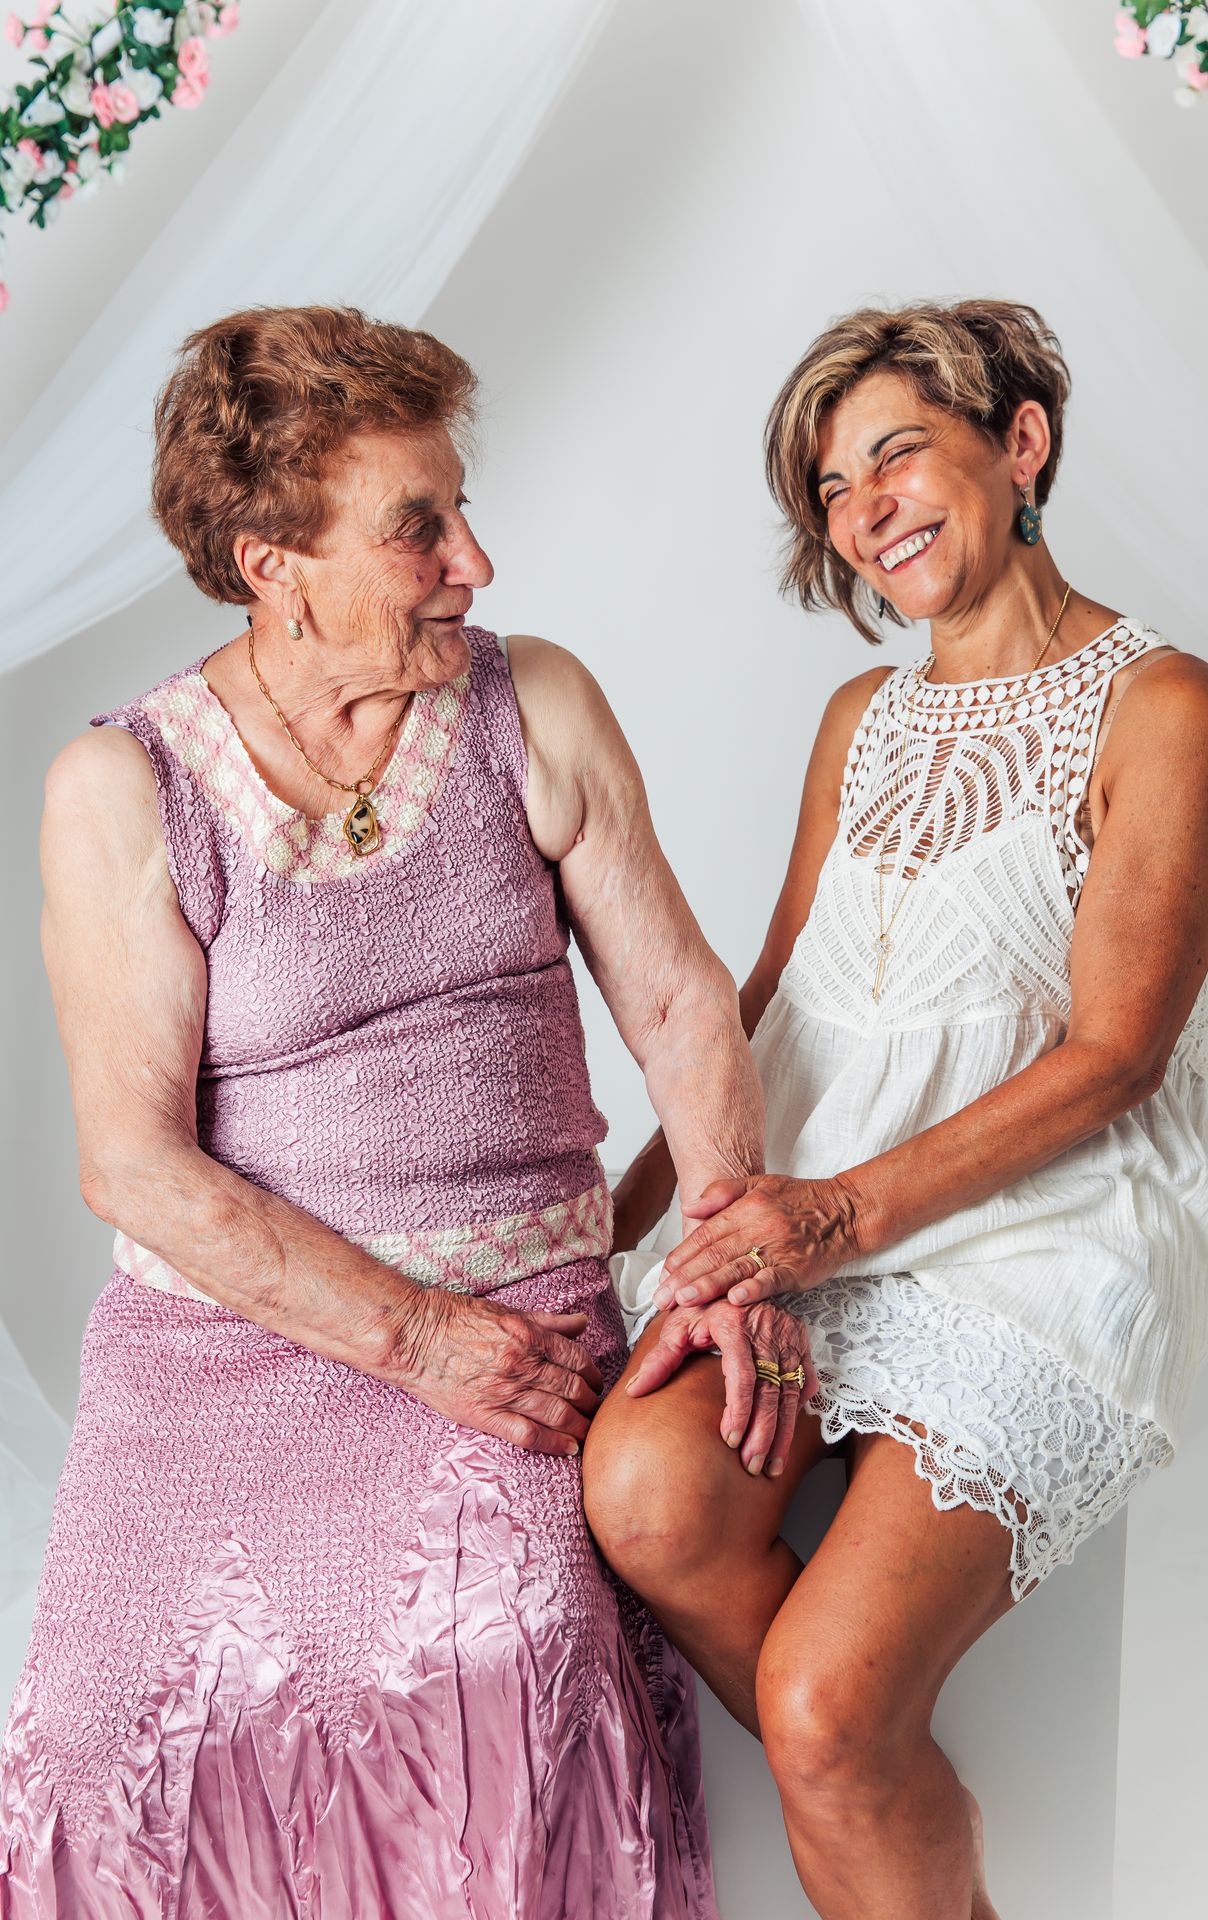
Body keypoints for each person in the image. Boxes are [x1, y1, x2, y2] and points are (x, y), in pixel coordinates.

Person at [0, 304, 814, 1920]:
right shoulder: (123, 790)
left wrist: (733, 1255)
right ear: (268, 565)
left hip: (523, 1326)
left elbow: (674, 1004)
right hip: (231, 1350)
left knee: (501, 1666)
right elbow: (134, 1163)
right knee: (100, 1737)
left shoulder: (536, 705)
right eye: (417, 528)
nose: (474, 562)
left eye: (457, 510)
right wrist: (413, 1341)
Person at [584, 298, 1208, 1920]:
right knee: (648, 1500)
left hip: (1042, 1224)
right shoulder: (858, 720)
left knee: (817, 1700)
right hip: (810, 1200)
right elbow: (777, 995)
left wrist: (834, 1220)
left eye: (894, 453)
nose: (862, 506)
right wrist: (628, 1215)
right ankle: (867, 1782)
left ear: (1017, 445)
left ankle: (844, 1746)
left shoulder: (1169, 706)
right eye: (828, 486)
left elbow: (1114, 1055)